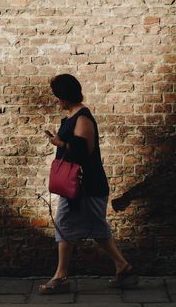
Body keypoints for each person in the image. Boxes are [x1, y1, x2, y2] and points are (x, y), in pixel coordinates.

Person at [38, 73, 137, 294]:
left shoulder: (82, 118)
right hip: (78, 185)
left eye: (58, 96)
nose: (57, 100)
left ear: (65, 96)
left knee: (67, 223)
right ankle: (123, 268)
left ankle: (61, 277)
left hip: (86, 185)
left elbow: (84, 151)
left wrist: (60, 142)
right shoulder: (73, 116)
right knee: (94, 227)